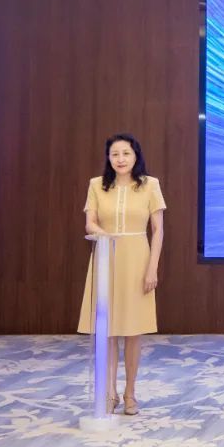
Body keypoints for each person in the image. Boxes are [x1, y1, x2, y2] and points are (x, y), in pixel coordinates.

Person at [78, 133, 166, 416]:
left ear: (135, 155)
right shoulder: (96, 185)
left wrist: (152, 267)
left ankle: (130, 393)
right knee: (107, 331)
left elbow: (158, 230)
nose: (120, 159)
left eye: (126, 153)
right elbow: (90, 223)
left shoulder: (150, 185)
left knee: (132, 331)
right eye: (115, 154)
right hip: (106, 259)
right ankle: (109, 393)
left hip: (137, 258)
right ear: (108, 158)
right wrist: (105, 236)